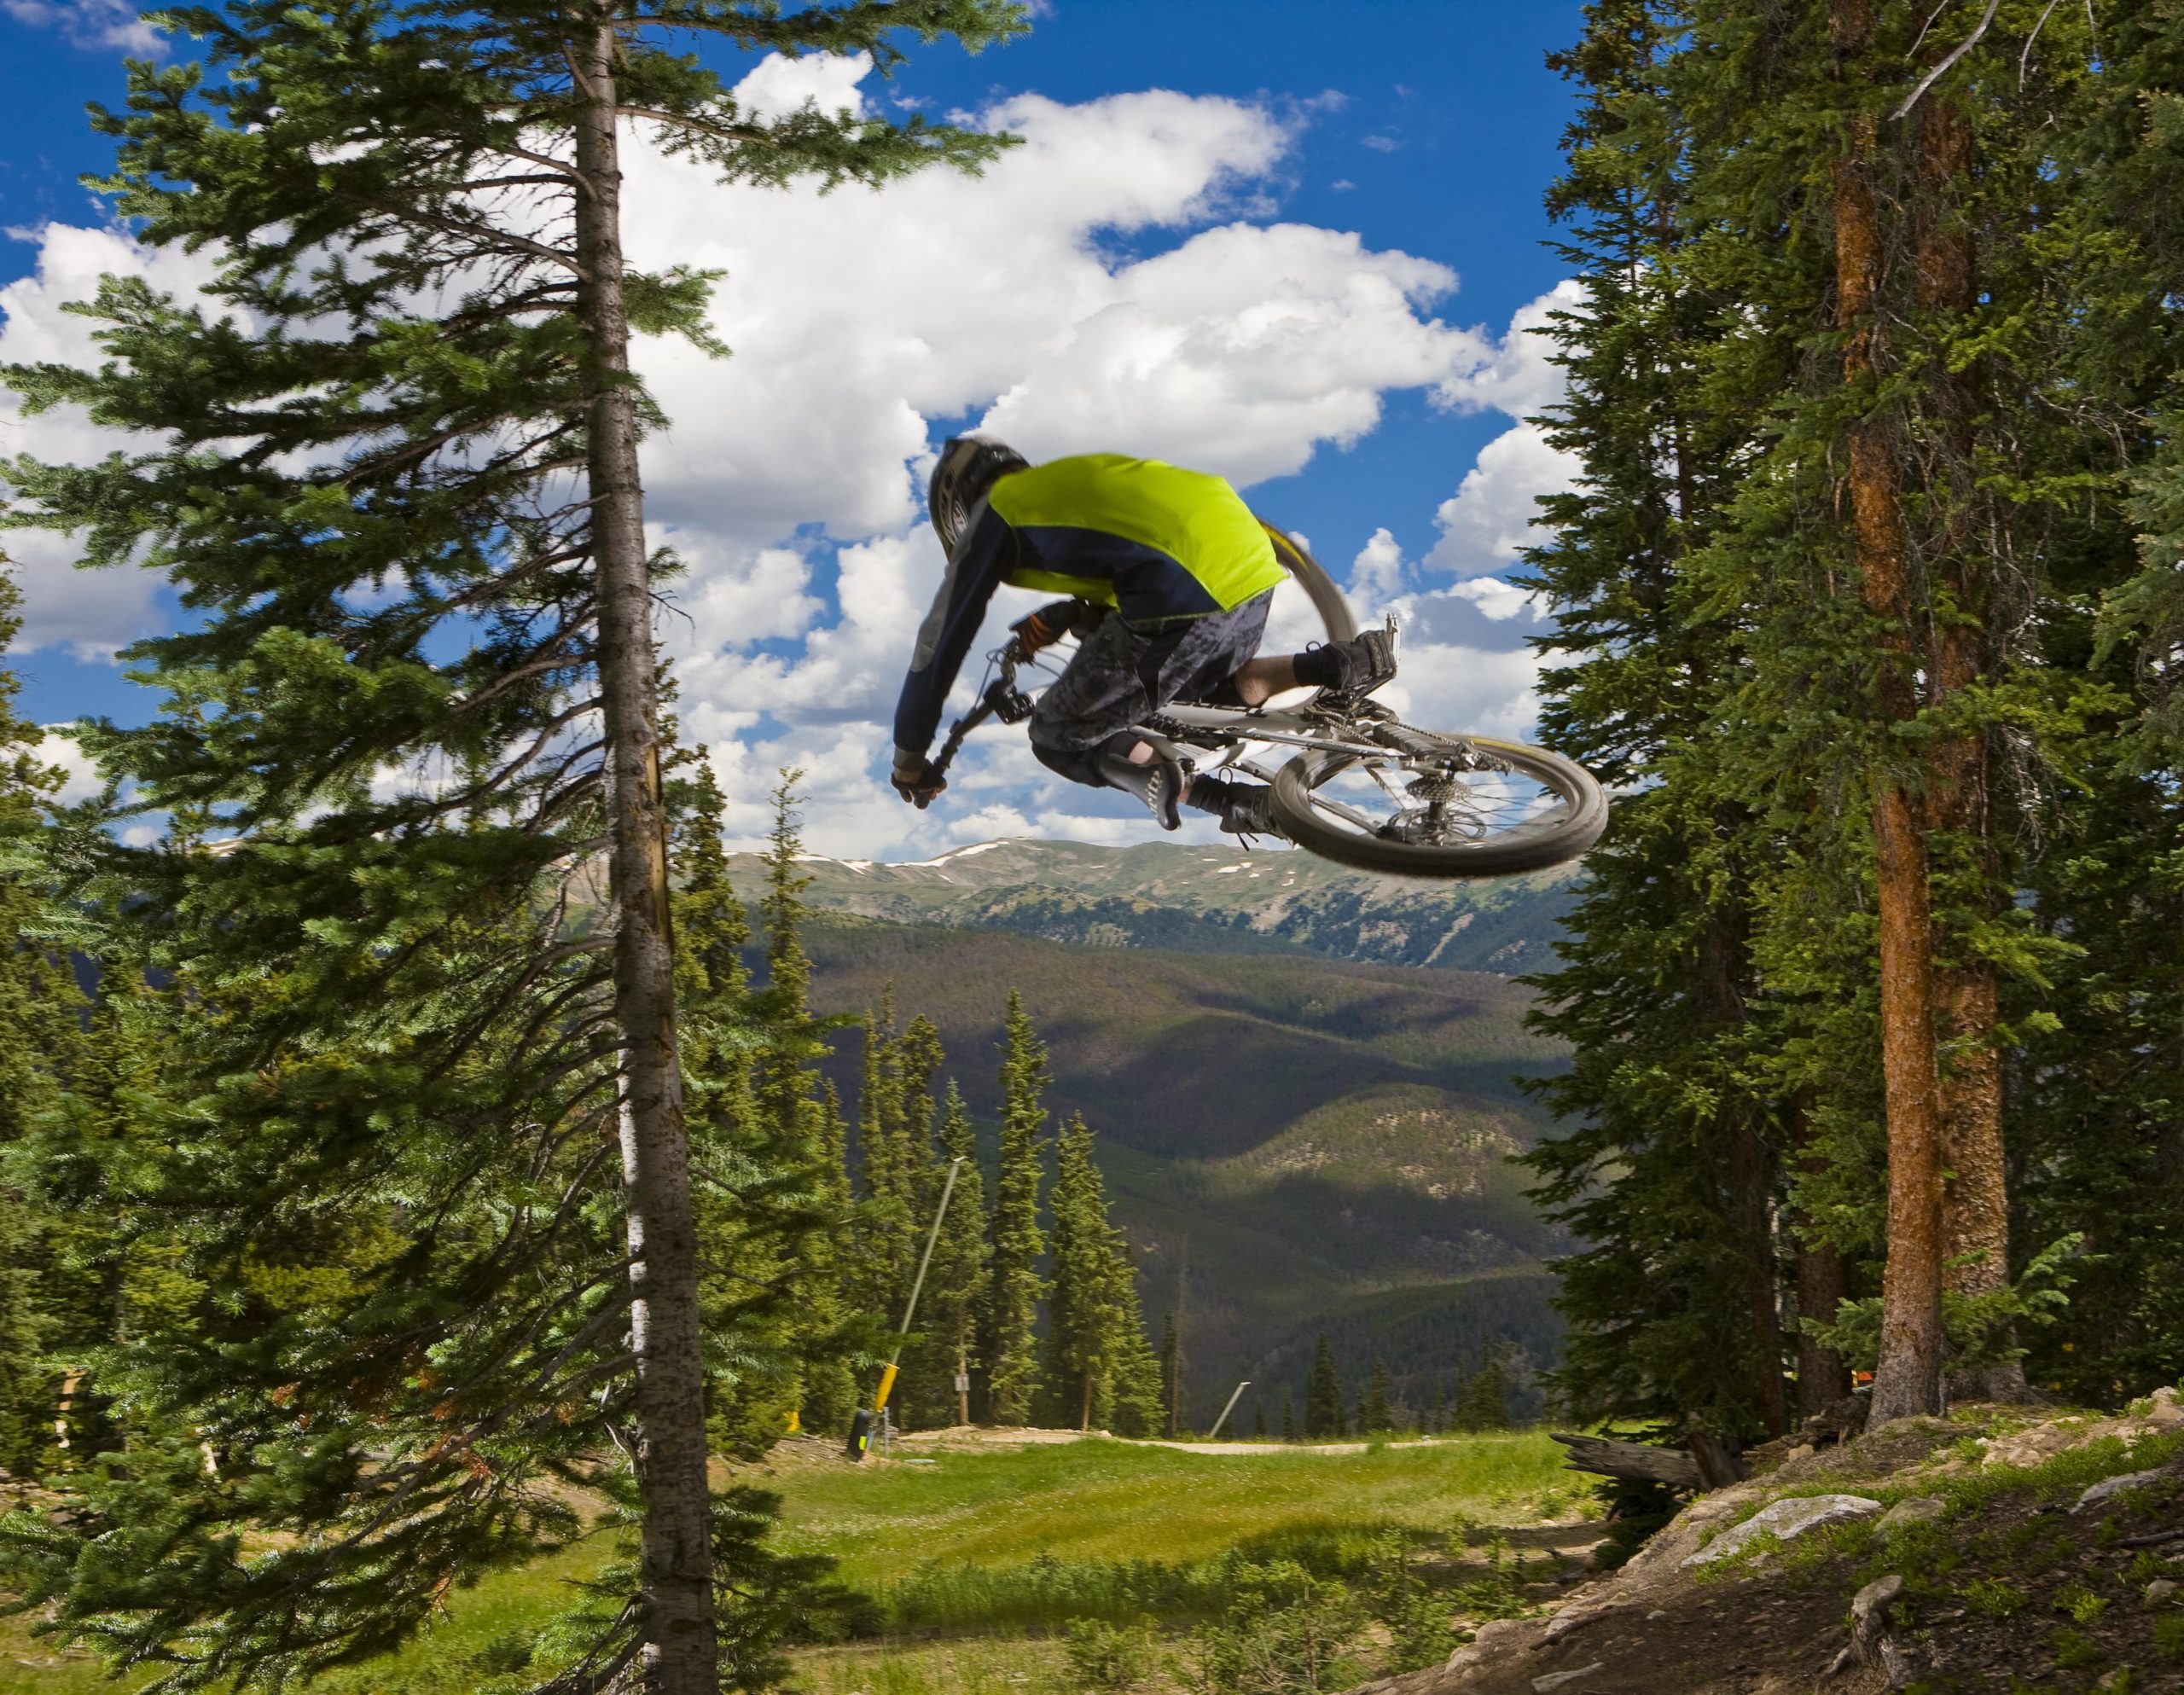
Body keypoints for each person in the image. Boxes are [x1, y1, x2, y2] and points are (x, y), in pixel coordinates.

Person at [890, 437, 1397, 834]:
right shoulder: (1062, 488)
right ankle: (1336, 665)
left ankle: (1220, 799)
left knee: (1057, 735)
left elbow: (940, 640)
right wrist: (1067, 615)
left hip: (1178, 592)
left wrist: (911, 756)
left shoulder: (994, 514)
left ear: (956, 507)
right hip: (1252, 573)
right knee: (1186, 692)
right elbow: (1129, 552)